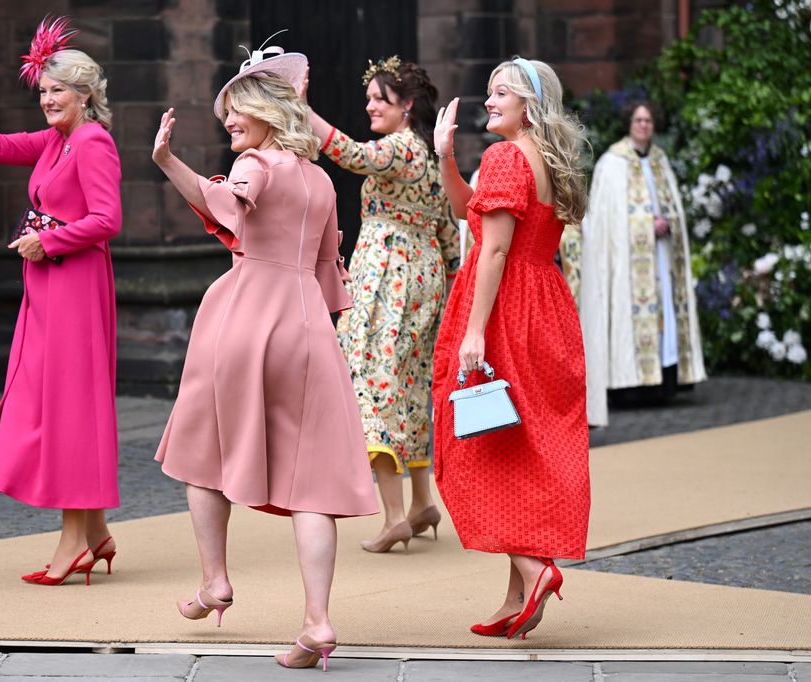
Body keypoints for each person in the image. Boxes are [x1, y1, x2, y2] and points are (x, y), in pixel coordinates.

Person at [151, 41, 378, 671]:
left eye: (236, 110)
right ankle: (318, 622)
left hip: (246, 314)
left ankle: (215, 581)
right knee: (314, 485)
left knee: (202, 450)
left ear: (268, 114)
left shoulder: (256, 163)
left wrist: (168, 161)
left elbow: (227, 202)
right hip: (309, 325)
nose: (228, 121)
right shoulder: (322, 179)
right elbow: (332, 272)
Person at [0, 17, 121, 586]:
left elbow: (107, 220)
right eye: (43, 91)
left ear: (85, 95)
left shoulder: (93, 140)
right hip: (48, 283)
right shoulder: (56, 140)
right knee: (50, 399)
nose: (48, 99)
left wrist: (46, 241)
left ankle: (74, 541)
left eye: (59, 91)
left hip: (74, 284)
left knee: (71, 406)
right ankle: (93, 531)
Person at [432, 57, 590, 640]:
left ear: (529, 105)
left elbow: (493, 250)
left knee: (475, 447)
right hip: (546, 306)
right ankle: (516, 592)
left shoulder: (504, 156)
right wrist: (445, 156)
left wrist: (474, 331)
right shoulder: (541, 157)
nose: (488, 100)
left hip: (505, 310)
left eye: (502, 93)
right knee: (518, 449)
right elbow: (469, 211)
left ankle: (532, 568)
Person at [302, 57, 460, 553]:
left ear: (407, 106)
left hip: (388, 273)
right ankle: (420, 502)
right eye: (368, 97)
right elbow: (448, 236)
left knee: (369, 378)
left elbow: (350, 155)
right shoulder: (428, 159)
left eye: (380, 99)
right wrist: (453, 288)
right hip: (425, 275)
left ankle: (394, 515)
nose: (369, 104)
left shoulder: (399, 148)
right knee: (408, 383)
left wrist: (303, 109)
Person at [579, 101, 707, 426]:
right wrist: (646, 225)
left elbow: (674, 207)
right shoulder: (612, 163)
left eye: (648, 120)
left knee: (664, 311)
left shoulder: (661, 160)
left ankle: (662, 382)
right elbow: (607, 221)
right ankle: (629, 386)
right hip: (628, 264)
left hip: (660, 258)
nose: (644, 125)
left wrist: (667, 222)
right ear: (629, 123)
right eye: (638, 120)